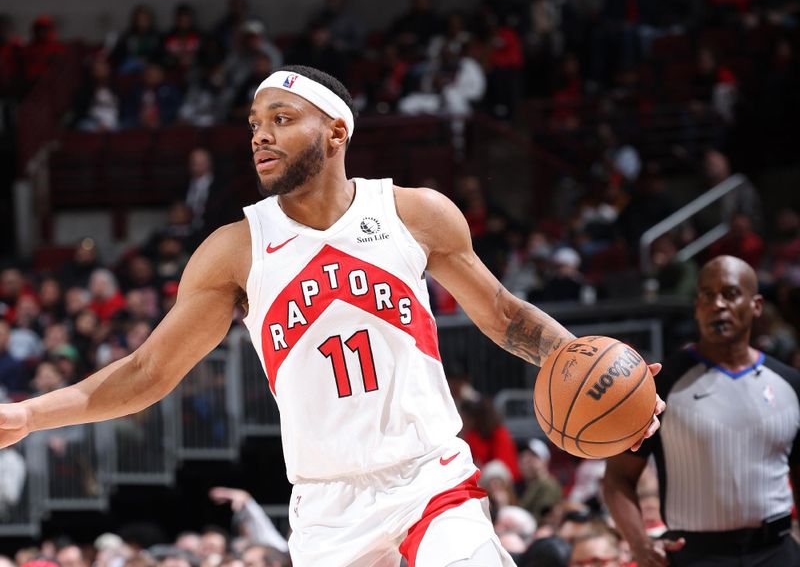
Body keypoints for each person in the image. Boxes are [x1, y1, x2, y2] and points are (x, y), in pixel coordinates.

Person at [0, 65, 663, 567]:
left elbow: (504, 315)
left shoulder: (414, 213)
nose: (261, 131)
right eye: (256, 121)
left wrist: (598, 376)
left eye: (283, 118)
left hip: (430, 474)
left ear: (337, 130)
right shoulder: (235, 252)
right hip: (326, 505)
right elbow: (147, 371)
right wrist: (31, 414)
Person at [603, 255, 800, 567]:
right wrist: (639, 544)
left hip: (776, 550)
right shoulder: (660, 384)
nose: (717, 304)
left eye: (730, 293)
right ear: (697, 308)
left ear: (757, 305)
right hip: (693, 554)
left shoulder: (791, 384)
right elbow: (617, 478)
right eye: (707, 296)